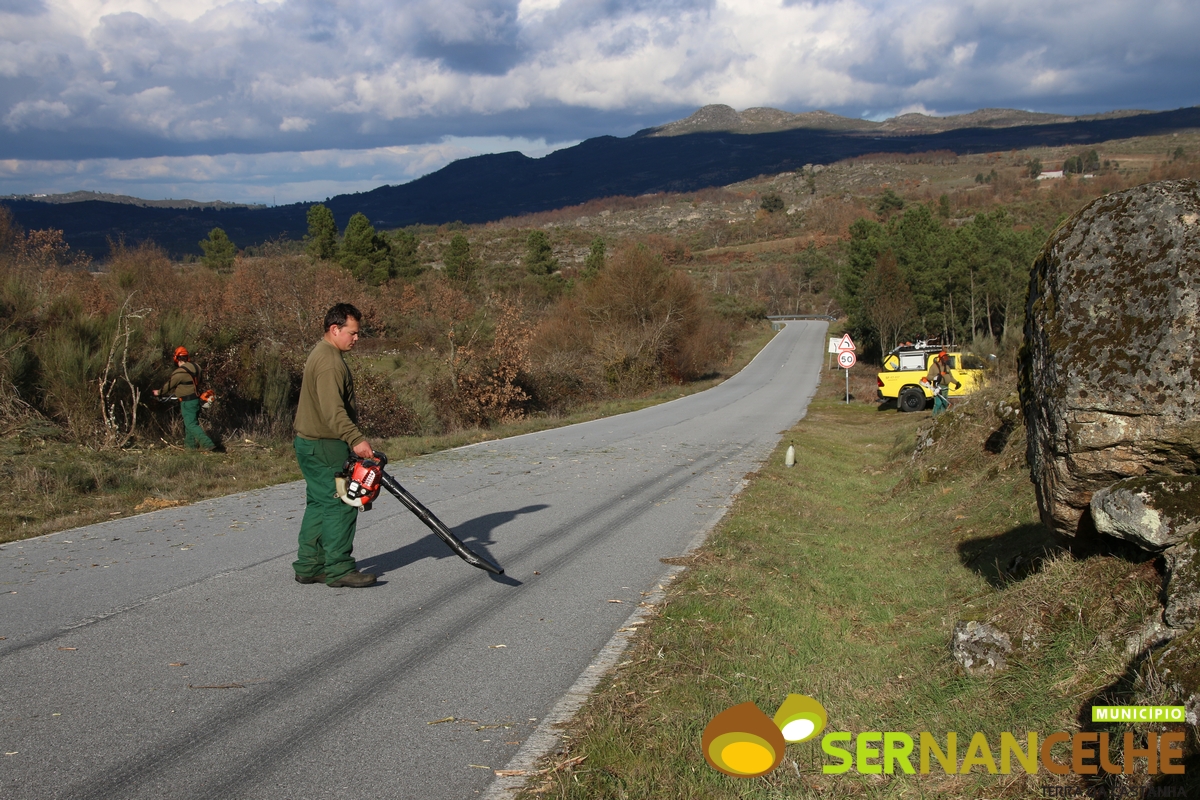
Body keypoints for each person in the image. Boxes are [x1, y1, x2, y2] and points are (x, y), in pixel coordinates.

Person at [292, 303, 377, 588]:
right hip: (326, 445)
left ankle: (310, 565)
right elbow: (333, 411)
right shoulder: (330, 362)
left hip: (308, 443)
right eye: (352, 333)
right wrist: (356, 439)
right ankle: (339, 569)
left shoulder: (321, 352)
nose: (356, 339)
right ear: (334, 329)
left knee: (318, 503)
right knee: (343, 503)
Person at [152, 346, 216, 451]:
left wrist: (158, 392)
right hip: (196, 400)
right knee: (189, 424)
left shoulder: (180, 372)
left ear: (177, 359)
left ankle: (207, 443)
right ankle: (190, 447)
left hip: (187, 402)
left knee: (191, 424)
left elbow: (169, 385)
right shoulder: (197, 367)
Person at [924, 350, 961, 417]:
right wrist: (936, 377)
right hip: (938, 387)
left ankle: (942, 417)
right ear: (940, 358)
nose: (946, 359)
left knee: (944, 403)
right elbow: (929, 377)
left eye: (946, 358)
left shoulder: (947, 367)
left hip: (946, 387)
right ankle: (934, 417)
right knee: (938, 403)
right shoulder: (934, 366)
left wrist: (957, 383)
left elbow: (950, 377)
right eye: (944, 358)